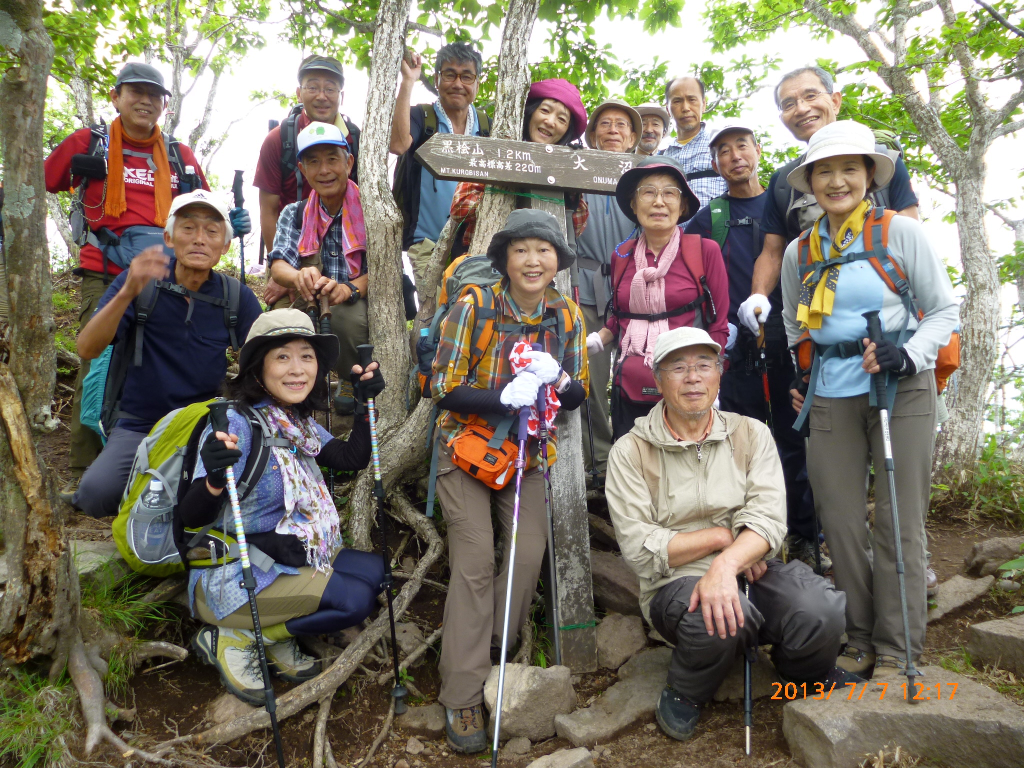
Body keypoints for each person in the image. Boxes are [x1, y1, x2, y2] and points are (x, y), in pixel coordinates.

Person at [605, 326, 855, 742]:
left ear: (720, 374)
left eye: (705, 365)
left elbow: (770, 519)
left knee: (820, 610)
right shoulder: (630, 451)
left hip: (753, 565)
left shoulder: (750, 433)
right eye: (678, 367)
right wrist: (724, 541)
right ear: (657, 378)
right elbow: (640, 547)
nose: (693, 377)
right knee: (714, 617)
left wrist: (728, 562)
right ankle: (688, 689)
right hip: (674, 581)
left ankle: (804, 673)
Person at [780, 121, 958, 678]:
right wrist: (804, 373)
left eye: (849, 169)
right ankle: (858, 636)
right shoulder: (799, 251)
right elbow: (794, 324)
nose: (837, 181)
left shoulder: (900, 233)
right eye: (825, 171)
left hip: (901, 387)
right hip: (831, 391)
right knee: (841, 521)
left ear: (869, 176)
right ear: (809, 181)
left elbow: (945, 310)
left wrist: (909, 355)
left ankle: (899, 645)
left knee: (899, 520)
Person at [45, 62, 249, 503]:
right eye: (135, 92)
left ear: (164, 104)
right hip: (105, 264)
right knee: (95, 365)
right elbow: (46, 178)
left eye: (154, 95)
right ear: (116, 97)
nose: (145, 101)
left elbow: (203, 208)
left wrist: (225, 223)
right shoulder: (90, 142)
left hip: (167, 270)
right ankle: (88, 467)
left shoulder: (178, 154)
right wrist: (84, 170)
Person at [429, 209, 589, 754]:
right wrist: (503, 397)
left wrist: (560, 378)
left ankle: (491, 648)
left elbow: (579, 395)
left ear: (557, 262)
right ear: (505, 259)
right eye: (521, 250)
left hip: (527, 455)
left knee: (528, 552)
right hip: (464, 446)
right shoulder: (474, 306)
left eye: (543, 251)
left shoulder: (565, 314)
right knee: (473, 562)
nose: (533, 260)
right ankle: (462, 693)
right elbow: (442, 387)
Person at [185, 308, 387, 705]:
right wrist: (212, 478)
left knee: (377, 572)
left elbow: (349, 458)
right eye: (282, 356)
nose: (298, 369)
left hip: (285, 557)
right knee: (353, 601)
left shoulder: (294, 422)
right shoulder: (237, 424)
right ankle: (238, 638)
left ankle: (275, 636)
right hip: (231, 573)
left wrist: (365, 405)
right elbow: (190, 519)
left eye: (307, 356)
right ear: (257, 370)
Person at [684, 126, 824, 570]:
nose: (734, 156)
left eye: (742, 145)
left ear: (758, 150)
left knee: (793, 435)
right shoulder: (711, 215)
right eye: (723, 151)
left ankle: (805, 533)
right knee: (741, 438)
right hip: (736, 342)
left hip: (789, 333)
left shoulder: (783, 201)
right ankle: (750, 534)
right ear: (716, 163)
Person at [72, 191, 263, 518]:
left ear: (225, 246)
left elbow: (262, 360)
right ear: (169, 238)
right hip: (139, 423)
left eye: (212, 232)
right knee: (94, 496)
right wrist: (127, 293)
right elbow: (87, 347)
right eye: (188, 228)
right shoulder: (141, 282)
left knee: (226, 494)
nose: (200, 239)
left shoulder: (237, 298)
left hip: (202, 423)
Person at [737, 66, 919, 336]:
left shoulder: (883, 160)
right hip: (822, 326)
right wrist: (758, 295)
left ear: (835, 101)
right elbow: (773, 251)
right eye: (789, 104)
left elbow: (912, 236)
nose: (801, 109)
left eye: (811, 96)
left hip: (894, 323)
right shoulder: (785, 181)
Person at [586, 155, 729, 439]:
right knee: (634, 464)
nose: (659, 202)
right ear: (633, 204)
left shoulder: (704, 251)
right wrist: (595, 341)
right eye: (648, 192)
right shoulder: (622, 255)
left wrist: (711, 376)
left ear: (683, 204)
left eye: (669, 193)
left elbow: (719, 325)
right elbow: (619, 317)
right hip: (631, 381)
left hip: (688, 382)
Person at [268, 122, 369, 415]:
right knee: (280, 323)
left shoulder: (371, 210)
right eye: (313, 161)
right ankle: (290, 385)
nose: (324, 170)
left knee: (347, 321)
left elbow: (384, 271)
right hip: (308, 294)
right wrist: (299, 275)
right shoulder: (294, 212)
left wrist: (348, 288)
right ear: (303, 169)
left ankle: (351, 377)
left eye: (332, 159)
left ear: (348, 162)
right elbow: (278, 266)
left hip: (353, 294)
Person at [255, 55, 362, 309]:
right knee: (282, 315)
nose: (321, 96)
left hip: (345, 249)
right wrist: (285, 272)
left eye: (330, 88)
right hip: (293, 244)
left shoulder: (356, 138)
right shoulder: (280, 139)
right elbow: (269, 209)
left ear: (341, 96)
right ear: (299, 93)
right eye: (312, 87)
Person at [575, 99, 642, 481]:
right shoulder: (576, 172)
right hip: (584, 289)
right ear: (593, 135)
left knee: (636, 375)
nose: (613, 130)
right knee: (591, 378)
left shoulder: (643, 179)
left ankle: (632, 459)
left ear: (633, 137)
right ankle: (598, 461)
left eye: (622, 125)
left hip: (632, 290)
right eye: (605, 124)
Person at [449, 78, 589, 256]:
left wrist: (569, 191)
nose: (550, 121)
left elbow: (576, 225)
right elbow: (460, 206)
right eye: (544, 110)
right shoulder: (496, 152)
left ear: (567, 131)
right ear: (530, 112)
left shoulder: (566, 170)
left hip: (539, 267)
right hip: (484, 259)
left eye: (561, 119)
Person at [390, 43, 490, 288]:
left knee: (475, 315)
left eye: (467, 76)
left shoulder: (488, 126)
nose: (458, 83)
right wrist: (408, 82)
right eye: (449, 74)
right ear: (436, 79)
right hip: (428, 244)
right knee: (435, 318)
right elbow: (399, 145)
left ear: (477, 83)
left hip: (478, 246)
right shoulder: (422, 117)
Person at [660, 76, 727, 207]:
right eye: (677, 101)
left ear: (704, 104)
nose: (685, 108)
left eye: (692, 100)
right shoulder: (661, 157)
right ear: (668, 109)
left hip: (715, 227)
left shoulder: (720, 146)